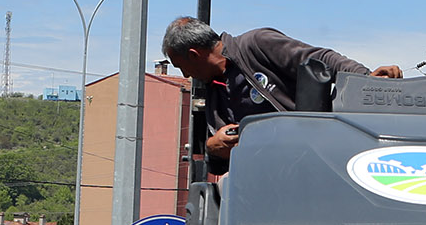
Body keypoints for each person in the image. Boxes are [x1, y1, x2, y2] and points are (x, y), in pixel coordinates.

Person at [160, 17, 401, 169]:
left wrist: (365, 78)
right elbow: (218, 166)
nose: (186, 75)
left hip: (308, 158)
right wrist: (214, 148)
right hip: (260, 176)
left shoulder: (256, 45)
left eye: (181, 67)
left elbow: (320, 60)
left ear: (194, 54)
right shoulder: (212, 92)